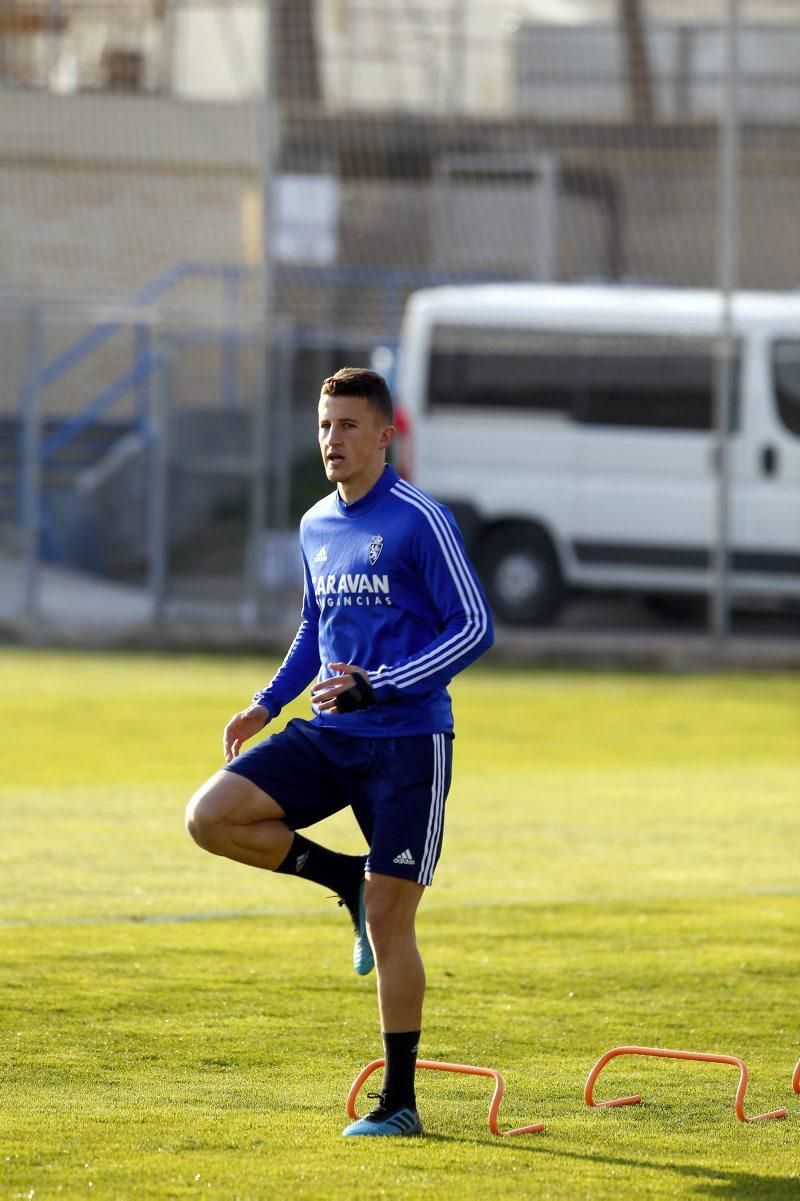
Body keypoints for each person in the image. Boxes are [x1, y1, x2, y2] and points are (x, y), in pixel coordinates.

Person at [185, 366, 493, 1137]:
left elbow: (474, 626)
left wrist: (380, 686)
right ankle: (341, 880)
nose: (333, 439)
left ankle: (401, 1103)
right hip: (331, 735)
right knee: (211, 815)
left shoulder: (422, 519)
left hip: (408, 742)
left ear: (385, 435)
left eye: (349, 426)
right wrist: (266, 701)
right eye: (325, 425)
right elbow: (314, 628)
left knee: (393, 921)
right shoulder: (316, 523)